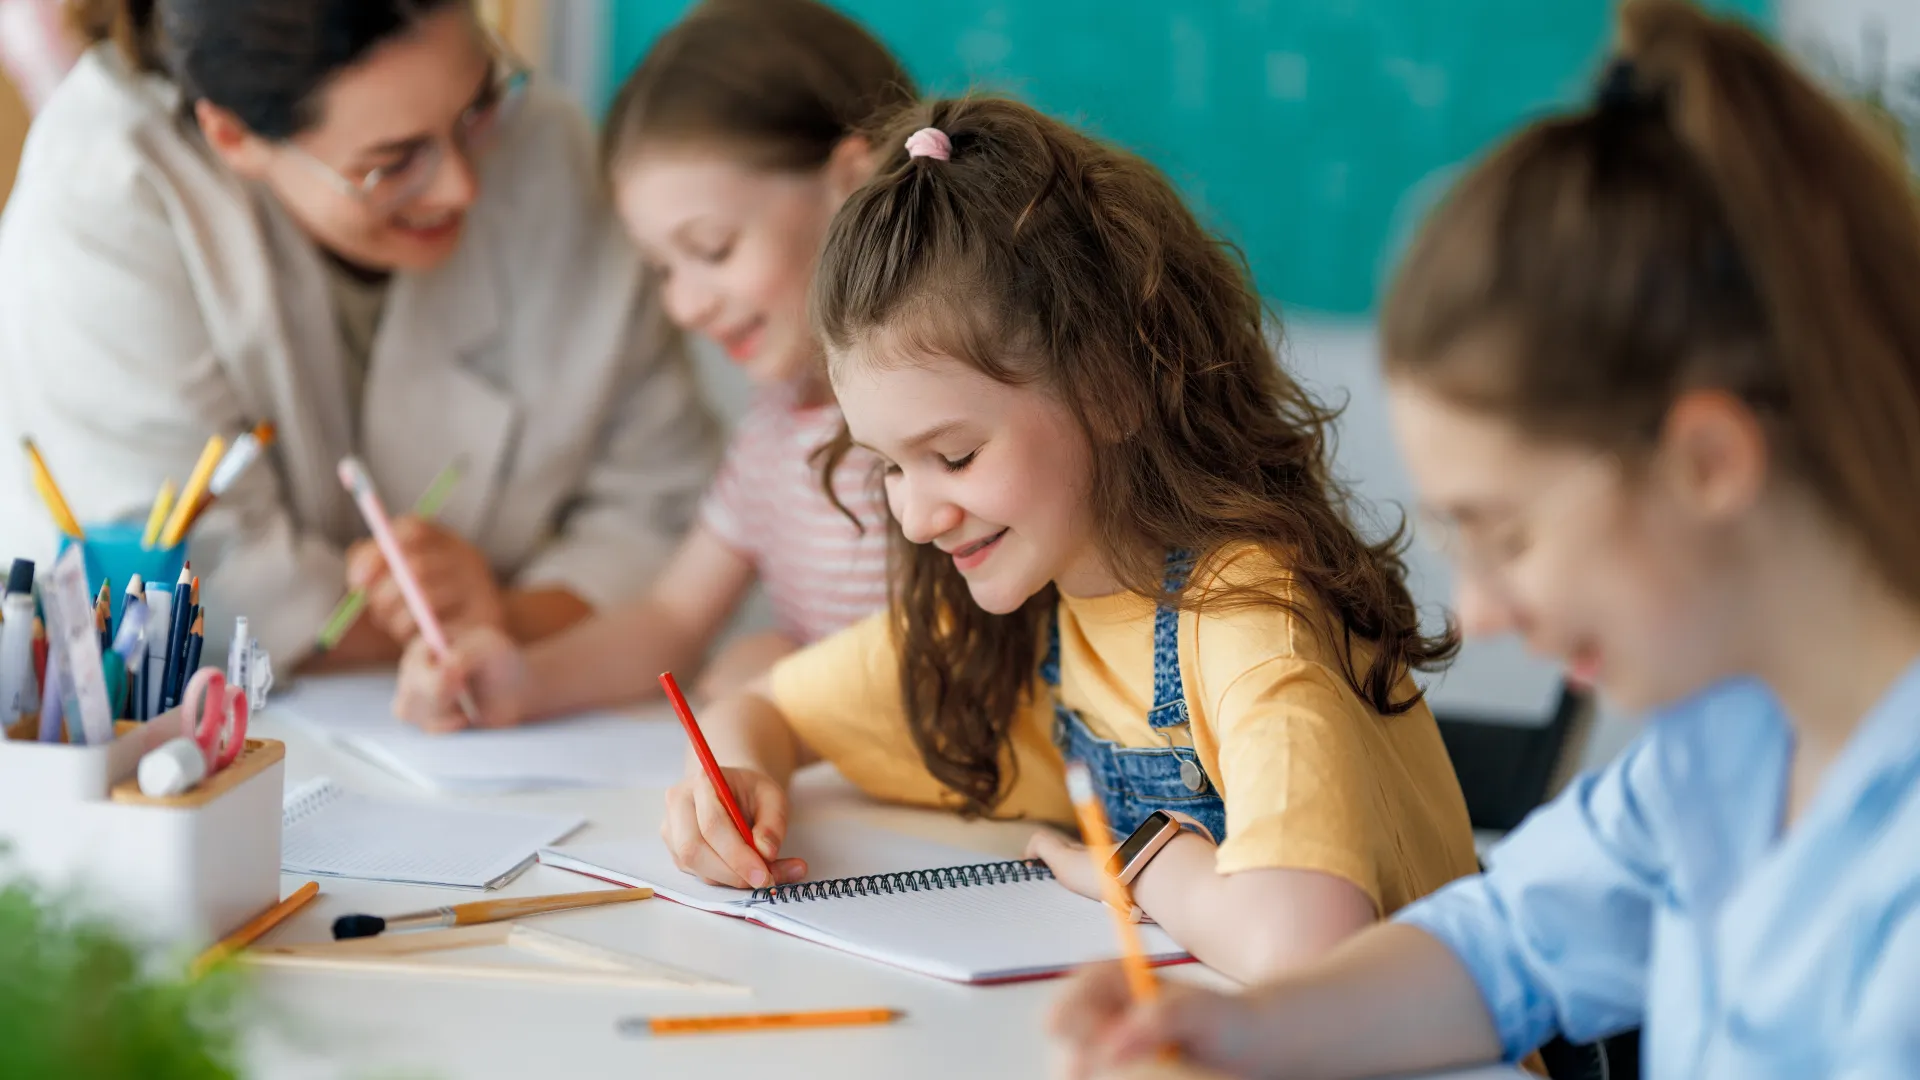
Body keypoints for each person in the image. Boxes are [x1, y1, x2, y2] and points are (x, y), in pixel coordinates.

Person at [1050, 3, 1920, 1077]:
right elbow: (1505, 946)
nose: (1478, 611)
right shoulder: (1725, 743)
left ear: (1707, 464)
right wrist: (1245, 1031)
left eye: (1506, 532)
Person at [659, 96, 1480, 984]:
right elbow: (768, 708)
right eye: (890, 468)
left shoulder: (1246, 618)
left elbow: (1305, 946)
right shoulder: (1028, 611)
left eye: (955, 455)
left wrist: (1138, 865)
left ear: (1112, 389)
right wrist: (732, 774)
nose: (917, 516)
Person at [0, 0, 718, 668]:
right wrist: (441, 637)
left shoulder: (547, 146)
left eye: (477, 109)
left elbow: (660, 498)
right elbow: (206, 579)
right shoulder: (107, 187)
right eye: (394, 161)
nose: (462, 186)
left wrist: (505, 620)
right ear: (234, 135)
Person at [393, 0, 912, 729]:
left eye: (711, 249)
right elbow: (670, 618)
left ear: (851, 182)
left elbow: (976, 665)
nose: (685, 306)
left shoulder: (943, 428)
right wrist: (525, 680)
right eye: (662, 269)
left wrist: (783, 686)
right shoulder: (775, 431)